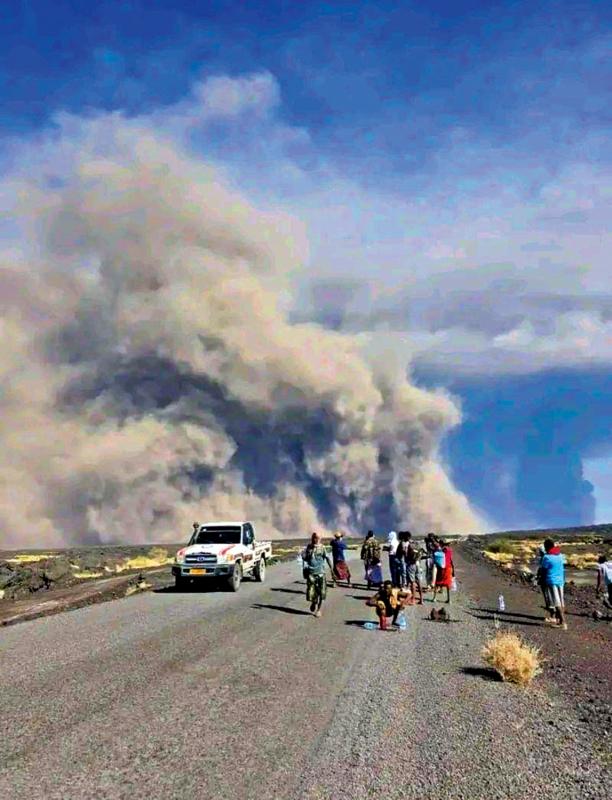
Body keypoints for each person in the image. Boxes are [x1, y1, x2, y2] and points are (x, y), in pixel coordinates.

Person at [302, 532, 334, 618]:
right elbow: (305, 558)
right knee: (311, 593)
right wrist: (303, 555)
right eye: (314, 538)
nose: (316, 539)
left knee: (321, 593)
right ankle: (313, 602)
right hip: (311, 574)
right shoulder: (309, 547)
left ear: (320, 539)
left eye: (317, 538)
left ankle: (319, 610)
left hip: (321, 573)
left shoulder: (323, 548)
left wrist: (332, 570)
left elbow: (327, 558)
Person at [540, 538, 567, 630]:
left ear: (546, 547)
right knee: (561, 601)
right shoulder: (560, 555)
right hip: (560, 581)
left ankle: (563, 623)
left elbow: (543, 571)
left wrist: (541, 580)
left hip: (551, 581)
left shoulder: (546, 557)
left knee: (556, 602)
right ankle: (559, 621)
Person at [396, 531, 423, 604]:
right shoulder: (414, 542)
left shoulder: (403, 544)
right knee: (419, 582)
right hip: (418, 563)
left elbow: (398, 554)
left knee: (412, 582)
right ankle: (421, 599)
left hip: (410, 564)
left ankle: (413, 599)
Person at [431, 539, 454, 604]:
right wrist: (453, 571)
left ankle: (434, 598)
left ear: (442, 544)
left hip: (442, 568)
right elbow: (451, 560)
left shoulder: (442, 550)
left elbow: (438, 559)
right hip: (449, 568)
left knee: (437, 582)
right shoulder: (450, 550)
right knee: (448, 584)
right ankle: (449, 599)